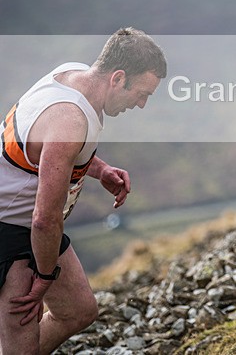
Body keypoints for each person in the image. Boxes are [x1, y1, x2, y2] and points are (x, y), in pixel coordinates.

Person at [0, 28, 167, 354]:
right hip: (10, 229)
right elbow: (44, 220)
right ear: (118, 78)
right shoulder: (70, 120)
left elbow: (44, 150)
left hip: (28, 225)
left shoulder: (72, 75)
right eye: (142, 93)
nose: (142, 104)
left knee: (78, 310)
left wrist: (99, 169)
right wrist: (44, 277)